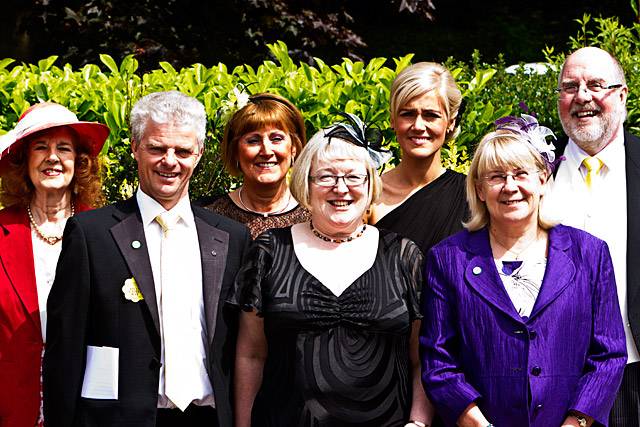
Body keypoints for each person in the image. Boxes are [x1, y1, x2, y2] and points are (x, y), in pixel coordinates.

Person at [43, 91, 251, 427]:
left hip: (209, 418)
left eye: (182, 150)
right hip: (120, 418)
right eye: (157, 148)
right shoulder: (90, 234)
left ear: (198, 154)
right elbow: (64, 351)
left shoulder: (230, 237)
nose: (170, 161)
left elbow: (243, 347)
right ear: (135, 148)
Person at [420, 115, 626, 427]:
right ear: (478, 189)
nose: (510, 186)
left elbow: (608, 355)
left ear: (543, 180)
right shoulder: (448, 259)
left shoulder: (590, 254)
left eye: (520, 174)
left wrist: (576, 423)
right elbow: (438, 360)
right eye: (496, 176)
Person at [232, 114, 432, 426]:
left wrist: (419, 422)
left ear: (369, 185)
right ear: (306, 184)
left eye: (353, 177)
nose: (341, 188)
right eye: (326, 177)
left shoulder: (403, 255)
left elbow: (421, 358)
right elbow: (250, 355)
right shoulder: (271, 250)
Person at [545, 46, 640, 427]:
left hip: (635, 375)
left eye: (596, 84)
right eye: (570, 86)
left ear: (622, 94)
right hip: (552, 378)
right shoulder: (533, 172)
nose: (582, 96)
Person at [0, 102, 108, 427]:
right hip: (10, 407)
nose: (52, 157)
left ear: (80, 162)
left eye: (64, 148)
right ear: (23, 161)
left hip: (85, 407)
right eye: (40, 147)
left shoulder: (106, 234)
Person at [370, 62, 468, 254]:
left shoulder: (473, 195)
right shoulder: (370, 196)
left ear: (451, 122)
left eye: (431, 115)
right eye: (408, 114)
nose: (418, 125)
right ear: (392, 119)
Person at [204, 93, 310, 238]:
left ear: (294, 148)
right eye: (253, 140)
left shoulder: (316, 217)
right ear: (235, 150)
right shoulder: (208, 218)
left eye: (276, 139)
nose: (266, 151)